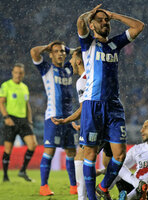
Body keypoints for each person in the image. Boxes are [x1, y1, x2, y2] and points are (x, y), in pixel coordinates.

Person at [77, 4, 144, 200]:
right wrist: (89, 14)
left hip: (114, 105)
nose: (105, 23)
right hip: (93, 104)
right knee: (89, 154)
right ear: (92, 25)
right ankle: (91, 198)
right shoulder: (88, 44)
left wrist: (113, 15)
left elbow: (139, 26)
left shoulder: (116, 43)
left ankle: (103, 187)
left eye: (106, 21)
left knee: (120, 154)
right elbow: (80, 22)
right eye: (100, 20)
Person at [51, 47, 112, 200]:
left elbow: (85, 108)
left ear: (78, 61)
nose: (69, 61)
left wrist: (66, 120)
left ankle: (84, 197)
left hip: (96, 124)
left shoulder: (83, 80)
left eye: (71, 58)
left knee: (81, 158)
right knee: (107, 162)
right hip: (108, 122)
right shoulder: (95, 76)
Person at [30, 41, 78, 196]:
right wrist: (47, 47)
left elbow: (80, 52)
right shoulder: (47, 69)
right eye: (56, 51)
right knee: (49, 151)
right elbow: (33, 52)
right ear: (51, 54)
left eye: (62, 51)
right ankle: (43, 186)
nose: (60, 54)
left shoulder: (69, 69)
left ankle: (73, 186)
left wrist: (68, 50)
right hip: (53, 117)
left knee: (71, 152)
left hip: (69, 118)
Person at [0, 63, 37, 182]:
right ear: (12, 73)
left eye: (20, 73)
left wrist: (30, 120)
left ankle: (22, 170)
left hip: (23, 120)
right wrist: (6, 117)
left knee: (33, 144)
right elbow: (1, 102)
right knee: (8, 149)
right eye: (16, 72)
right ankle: (5, 176)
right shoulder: (6, 85)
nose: (18, 75)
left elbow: (27, 104)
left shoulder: (24, 87)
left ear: (23, 74)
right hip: (11, 120)